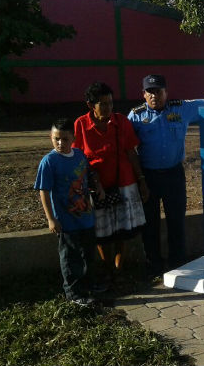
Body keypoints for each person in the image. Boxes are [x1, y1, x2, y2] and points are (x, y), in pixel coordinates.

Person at [128, 74, 204, 277]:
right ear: (144, 94)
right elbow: (128, 148)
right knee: (150, 223)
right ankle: (153, 264)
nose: (155, 95)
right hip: (148, 178)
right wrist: (139, 180)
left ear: (166, 92)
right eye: (150, 92)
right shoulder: (135, 116)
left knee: (176, 220)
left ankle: (177, 264)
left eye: (158, 91)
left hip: (173, 175)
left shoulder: (181, 108)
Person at [74, 82, 148, 286]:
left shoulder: (121, 122)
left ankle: (118, 269)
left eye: (111, 103)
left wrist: (141, 181)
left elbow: (131, 152)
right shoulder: (80, 124)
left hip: (124, 183)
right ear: (91, 105)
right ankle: (106, 268)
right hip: (97, 188)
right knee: (102, 231)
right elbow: (78, 156)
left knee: (122, 230)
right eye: (103, 104)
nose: (108, 108)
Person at [35, 118, 103, 305]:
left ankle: (90, 283)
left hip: (86, 218)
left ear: (73, 138)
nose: (60, 143)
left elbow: (88, 175)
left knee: (88, 253)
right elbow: (44, 191)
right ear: (51, 137)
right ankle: (73, 292)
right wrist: (51, 219)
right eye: (56, 139)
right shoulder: (49, 162)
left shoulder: (79, 155)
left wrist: (98, 186)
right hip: (66, 221)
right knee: (70, 257)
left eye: (65, 139)